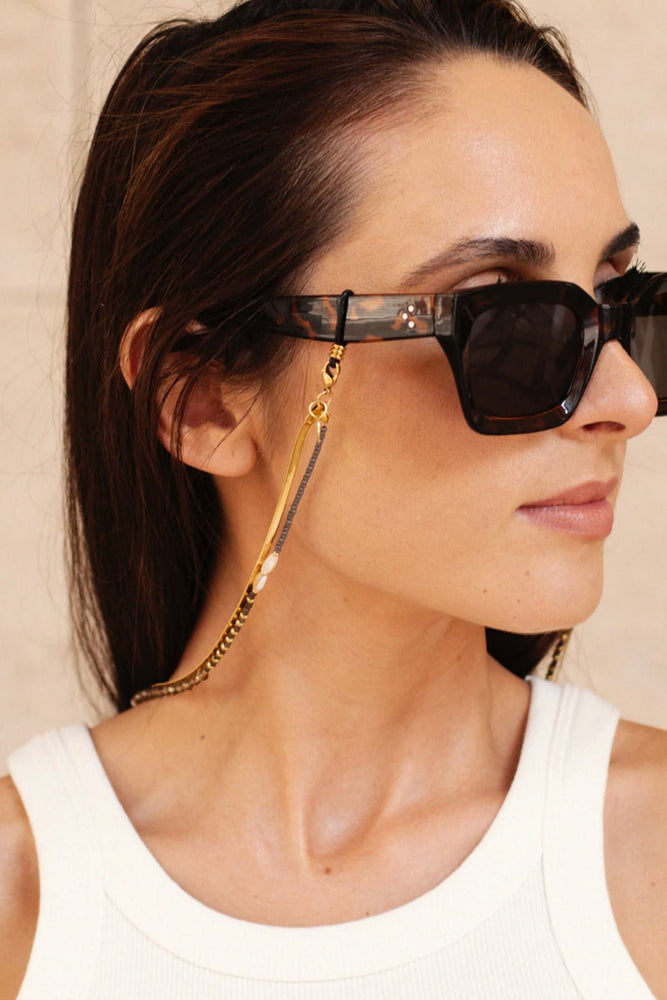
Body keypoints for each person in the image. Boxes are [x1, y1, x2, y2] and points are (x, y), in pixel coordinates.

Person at [1, 0, 666, 996]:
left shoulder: (648, 859)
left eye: (622, 307)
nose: (630, 399)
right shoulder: (25, 902)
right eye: (504, 319)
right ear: (199, 396)